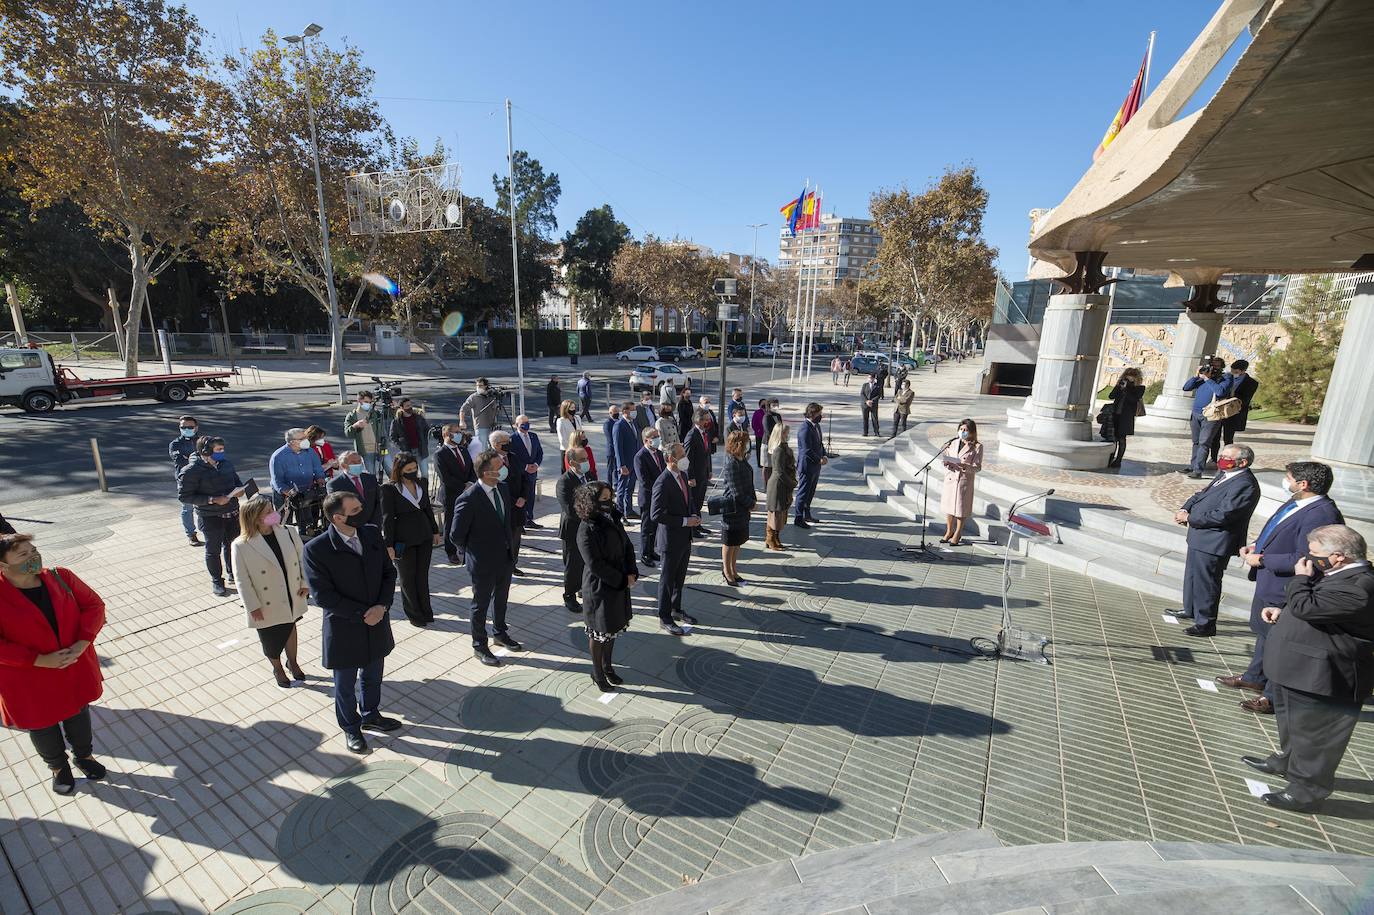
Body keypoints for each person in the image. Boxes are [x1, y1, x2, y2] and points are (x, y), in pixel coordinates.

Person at [1241, 525, 1374, 812]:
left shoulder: (1359, 586)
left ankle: (1307, 791)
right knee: (1293, 724)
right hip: (1299, 670)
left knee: (1317, 737)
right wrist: (1282, 610)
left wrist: (1300, 579)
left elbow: (1309, 607)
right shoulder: (1338, 574)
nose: (1309, 559)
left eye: (1314, 554)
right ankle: (1287, 761)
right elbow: (1315, 608)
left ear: (1338, 556)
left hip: (1325, 676)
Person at [1224, 461, 1343, 713]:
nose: (1285, 481)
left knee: (1279, 644)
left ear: (1303, 484)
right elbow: (1276, 529)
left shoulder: (1321, 514)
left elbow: (1308, 557)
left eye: (1288, 478)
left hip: (1286, 586)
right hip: (1269, 580)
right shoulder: (1298, 500)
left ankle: (1272, 697)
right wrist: (1257, 545)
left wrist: (1264, 559)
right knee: (1263, 633)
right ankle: (1255, 677)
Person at [0, 533, 107, 796]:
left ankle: (84, 757)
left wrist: (83, 642)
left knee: (78, 715)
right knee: (41, 723)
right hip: (27, 676)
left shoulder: (60, 577)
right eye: (23, 555)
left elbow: (94, 606)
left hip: (73, 665)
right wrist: (37, 660)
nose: (33, 557)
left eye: (33, 550)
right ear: (2, 565)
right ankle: (58, 767)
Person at [303, 492, 400, 754]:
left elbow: (388, 573)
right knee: (344, 685)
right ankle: (351, 727)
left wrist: (381, 606)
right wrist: (364, 614)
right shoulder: (316, 550)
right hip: (345, 627)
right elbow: (323, 596)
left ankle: (371, 714)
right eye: (356, 509)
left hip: (376, 620)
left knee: (373, 676)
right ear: (338, 517)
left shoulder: (370, 534)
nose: (364, 512)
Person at [1167, 444, 1262, 637]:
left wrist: (1190, 519)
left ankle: (1206, 623)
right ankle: (1191, 609)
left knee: (1207, 582)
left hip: (1215, 541)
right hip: (1200, 537)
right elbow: (1200, 495)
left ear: (1242, 462)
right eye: (1221, 455)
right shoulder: (1224, 475)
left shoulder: (1245, 484)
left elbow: (1224, 515)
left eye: (1227, 457)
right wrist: (1185, 509)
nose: (1221, 459)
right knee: (1193, 576)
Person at [450, 450, 524, 665]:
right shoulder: (469, 498)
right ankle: (479, 645)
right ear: (486, 472)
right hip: (482, 562)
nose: (504, 469)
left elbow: (505, 521)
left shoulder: (502, 487)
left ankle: (500, 633)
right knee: (480, 604)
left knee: (501, 599)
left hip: (505, 557)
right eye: (500, 466)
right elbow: (456, 536)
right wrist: (476, 553)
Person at [231, 495, 309, 688]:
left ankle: (292, 662)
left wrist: (305, 583)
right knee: (270, 638)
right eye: (268, 512)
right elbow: (242, 579)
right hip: (265, 601)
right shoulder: (241, 545)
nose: (274, 514)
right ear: (256, 517)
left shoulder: (289, 532)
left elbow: (303, 560)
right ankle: (277, 667)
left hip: (291, 593)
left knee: (290, 627)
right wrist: (252, 606)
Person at [577, 481, 639, 691]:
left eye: (610, 498)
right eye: (604, 499)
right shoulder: (586, 529)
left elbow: (627, 544)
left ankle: (607, 666)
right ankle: (597, 672)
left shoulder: (611, 517)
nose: (609, 502)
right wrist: (622, 580)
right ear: (592, 502)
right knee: (599, 633)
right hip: (600, 588)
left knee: (612, 630)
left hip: (618, 582)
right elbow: (595, 565)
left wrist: (631, 571)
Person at [179, 435, 245, 597]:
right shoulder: (191, 471)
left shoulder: (226, 464)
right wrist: (212, 500)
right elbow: (184, 496)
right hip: (210, 517)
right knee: (213, 550)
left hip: (232, 513)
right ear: (205, 451)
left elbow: (236, 482)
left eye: (223, 449)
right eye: (218, 450)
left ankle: (233, 574)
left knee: (234, 546)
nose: (222, 453)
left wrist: (240, 490)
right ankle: (217, 580)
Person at [380, 452, 441, 628]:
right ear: (399, 471)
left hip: (423, 536)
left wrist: (435, 530)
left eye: (415, 468)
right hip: (402, 540)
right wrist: (389, 545)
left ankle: (426, 611)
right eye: (408, 469)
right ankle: (414, 613)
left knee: (422, 576)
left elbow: (428, 509)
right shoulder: (389, 489)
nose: (413, 472)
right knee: (407, 578)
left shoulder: (421, 483)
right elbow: (387, 519)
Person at [650, 442, 701, 635]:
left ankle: (676, 608)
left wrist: (695, 515)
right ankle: (664, 617)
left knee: (679, 577)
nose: (685, 458)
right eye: (681, 455)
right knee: (667, 580)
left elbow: (689, 501)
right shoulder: (662, 482)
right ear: (671, 459)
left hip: (684, 537)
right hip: (670, 540)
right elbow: (656, 515)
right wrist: (684, 521)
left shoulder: (683, 475)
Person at [1181, 357, 1235, 478]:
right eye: (1212, 365)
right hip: (1196, 414)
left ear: (1222, 367)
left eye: (1217, 365)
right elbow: (1186, 388)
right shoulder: (1202, 378)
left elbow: (1221, 392)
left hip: (1212, 415)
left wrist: (1208, 379)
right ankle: (1193, 466)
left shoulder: (1226, 378)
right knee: (1196, 442)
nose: (1214, 368)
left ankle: (1198, 470)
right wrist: (1196, 376)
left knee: (1204, 443)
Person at [270, 427, 327, 537]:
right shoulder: (278, 457)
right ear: (292, 442)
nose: (306, 440)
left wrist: (320, 479)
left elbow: (318, 469)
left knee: (305, 522)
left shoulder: (310, 452)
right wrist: (290, 493)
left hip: (305, 492)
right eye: (302, 438)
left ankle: (304, 538)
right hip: (284, 496)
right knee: (285, 524)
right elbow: (277, 481)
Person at [557, 446, 593, 613]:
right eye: (583, 460)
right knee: (573, 565)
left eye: (587, 458)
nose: (587, 462)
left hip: (589, 529)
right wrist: (591, 515)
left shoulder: (589, 476)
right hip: (573, 530)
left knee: (586, 562)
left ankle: (582, 588)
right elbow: (570, 510)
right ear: (572, 463)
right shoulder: (564, 482)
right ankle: (569, 595)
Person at [719, 430, 757, 586]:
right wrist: (751, 504)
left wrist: (752, 500)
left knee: (737, 541)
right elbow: (736, 492)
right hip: (733, 509)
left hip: (742, 509)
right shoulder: (731, 463)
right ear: (738, 444)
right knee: (729, 542)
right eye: (746, 442)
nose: (749, 445)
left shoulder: (741, 459)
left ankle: (734, 570)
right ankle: (727, 572)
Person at [489, 431, 529, 576]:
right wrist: (513, 501)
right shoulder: (488, 460)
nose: (509, 444)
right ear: (495, 444)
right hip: (503, 507)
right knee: (502, 540)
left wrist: (523, 497)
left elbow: (524, 478)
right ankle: (501, 565)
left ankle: (512, 564)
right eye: (506, 442)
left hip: (518, 507)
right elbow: (493, 485)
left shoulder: (513, 457)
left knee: (516, 538)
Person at [433, 426, 475, 563]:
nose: (459, 435)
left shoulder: (463, 449)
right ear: (447, 434)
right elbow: (445, 477)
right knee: (450, 523)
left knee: (468, 520)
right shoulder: (440, 454)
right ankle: (451, 551)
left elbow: (471, 468)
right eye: (456, 432)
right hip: (451, 494)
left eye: (459, 432)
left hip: (468, 492)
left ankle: (466, 546)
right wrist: (463, 486)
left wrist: (470, 482)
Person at [941, 419, 984, 547]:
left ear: (971, 432)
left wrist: (965, 466)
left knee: (961, 509)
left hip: (964, 480)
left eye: (965, 430)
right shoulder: (953, 443)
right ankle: (949, 531)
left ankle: (958, 533)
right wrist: (946, 463)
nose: (963, 432)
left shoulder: (977, 447)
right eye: (961, 429)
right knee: (949, 507)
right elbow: (946, 455)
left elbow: (978, 467)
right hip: (951, 478)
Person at [1211, 359, 1260, 463]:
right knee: (1215, 436)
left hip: (1234, 413)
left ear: (1242, 371)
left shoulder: (1251, 383)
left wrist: (1232, 398)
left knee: (1228, 438)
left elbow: (1245, 399)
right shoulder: (1225, 378)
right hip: (1220, 411)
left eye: (1236, 371)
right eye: (1232, 370)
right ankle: (1213, 459)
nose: (1233, 373)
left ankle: (1227, 458)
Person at [633, 427, 665, 567]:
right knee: (647, 528)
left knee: (655, 525)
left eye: (658, 435)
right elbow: (644, 480)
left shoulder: (659, 453)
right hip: (648, 497)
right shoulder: (640, 456)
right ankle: (645, 554)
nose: (658, 438)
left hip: (658, 497)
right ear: (647, 440)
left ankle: (652, 551)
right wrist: (659, 490)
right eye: (655, 436)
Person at [327, 450, 382, 529]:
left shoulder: (370, 478)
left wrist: (375, 523)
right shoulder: (334, 484)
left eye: (359, 461)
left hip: (374, 525)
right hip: (352, 527)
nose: (358, 464)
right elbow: (338, 509)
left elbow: (379, 502)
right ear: (343, 465)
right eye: (353, 462)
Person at [1103, 368, 1146, 467]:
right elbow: (1111, 396)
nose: (1128, 377)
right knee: (1112, 438)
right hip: (1115, 414)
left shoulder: (1140, 388)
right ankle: (1110, 458)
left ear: (1136, 378)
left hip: (1126, 417)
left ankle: (1118, 460)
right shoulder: (1121, 385)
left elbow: (1133, 399)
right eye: (1127, 375)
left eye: (1131, 376)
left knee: (1122, 438)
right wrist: (1118, 387)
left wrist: (1127, 389)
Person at [508, 414, 545, 530]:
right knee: (520, 497)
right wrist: (525, 467)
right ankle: (520, 523)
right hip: (520, 474)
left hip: (532, 473)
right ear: (516, 425)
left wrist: (536, 465)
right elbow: (512, 457)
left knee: (530, 496)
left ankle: (529, 519)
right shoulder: (512, 439)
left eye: (527, 422)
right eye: (523, 423)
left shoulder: (533, 436)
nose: (526, 425)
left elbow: (539, 452)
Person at [793, 402, 827, 528]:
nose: (821, 416)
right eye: (819, 414)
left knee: (811, 492)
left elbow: (819, 443)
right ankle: (798, 517)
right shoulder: (804, 428)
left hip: (816, 466)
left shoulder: (816, 426)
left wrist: (824, 455)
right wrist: (818, 459)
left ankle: (807, 514)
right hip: (807, 466)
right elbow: (806, 450)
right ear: (812, 414)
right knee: (803, 492)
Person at [170, 415, 202, 546]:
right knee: (187, 508)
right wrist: (198, 461)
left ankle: (206, 529)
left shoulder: (202, 441)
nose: (187, 429)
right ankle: (191, 534)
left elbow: (211, 458)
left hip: (202, 479)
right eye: (183, 427)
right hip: (185, 481)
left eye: (190, 427)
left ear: (196, 427)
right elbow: (181, 461)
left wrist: (191, 459)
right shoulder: (175, 444)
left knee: (204, 506)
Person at [766, 420, 796, 551]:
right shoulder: (778, 450)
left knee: (781, 514)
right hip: (778, 486)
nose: (788, 434)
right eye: (786, 432)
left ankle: (775, 538)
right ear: (780, 434)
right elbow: (779, 472)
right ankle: (771, 539)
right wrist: (792, 483)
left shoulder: (784, 447)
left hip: (784, 485)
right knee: (775, 515)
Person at [683, 408, 713, 538]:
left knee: (700, 501)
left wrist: (709, 470)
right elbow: (688, 458)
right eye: (706, 419)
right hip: (695, 476)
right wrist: (691, 477)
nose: (708, 421)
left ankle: (698, 524)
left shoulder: (704, 433)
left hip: (703, 473)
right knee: (694, 502)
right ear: (699, 420)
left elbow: (707, 454)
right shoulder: (691, 435)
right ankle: (692, 529)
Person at [343, 390, 386, 476]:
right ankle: (375, 489)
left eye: (370, 402)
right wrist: (355, 426)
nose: (368, 404)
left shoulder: (375, 413)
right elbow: (348, 433)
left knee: (390, 468)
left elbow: (389, 418)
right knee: (371, 474)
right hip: (366, 451)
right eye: (366, 402)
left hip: (381, 448)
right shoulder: (352, 415)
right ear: (359, 401)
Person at [387, 398, 432, 480]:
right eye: (407, 406)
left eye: (410, 405)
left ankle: (424, 491)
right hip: (407, 452)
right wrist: (401, 446)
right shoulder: (397, 422)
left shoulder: (418, 418)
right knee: (411, 475)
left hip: (421, 450)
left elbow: (427, 430)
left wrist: (425, 442)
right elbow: (393, 437)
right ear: (401, 408)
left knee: (425, 474)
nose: (410, 407)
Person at [610, 402, 641, 519]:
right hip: (625, 464)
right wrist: (621, 465)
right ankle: (620, 513)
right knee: (622, 489)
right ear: (624, 412)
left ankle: (629, 510)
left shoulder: (633, 423)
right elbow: (617, 447)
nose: (634, 412)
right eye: (632, 410)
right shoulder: (619, 425)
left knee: (630, 488)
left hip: (634, 462)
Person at [460, 378, 502, 462]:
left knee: (494, 448)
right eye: (477, 386)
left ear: (486, 386)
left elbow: (497, 409)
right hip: (481, 427)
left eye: (480, 386)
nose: (478, 387)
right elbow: (463, 409)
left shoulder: (491, 396)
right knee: (482, 449)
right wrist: (462, 421)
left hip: (492, 426)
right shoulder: (473, 397)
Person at [762, 398, 782, 487]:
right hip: (768, 443)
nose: (775, 407)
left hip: (777, 443)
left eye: (777, 405)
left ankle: (773, 484)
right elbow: (768, 431)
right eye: (773, 405)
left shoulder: (778, 416)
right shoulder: (766, 417)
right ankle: (767, 485)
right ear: (769, 406)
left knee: (774, 465)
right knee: (767, 466)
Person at [556, 400, 583, 467]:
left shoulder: (577, 418)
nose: (573, 410)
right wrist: (572, 449)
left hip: (578, 449)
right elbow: (562, 439)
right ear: (565, 409)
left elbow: (580, 433)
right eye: (571, 408)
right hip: (567, 450)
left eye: (574, 407)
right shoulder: (561, 421)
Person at [751, 398, 768, 468]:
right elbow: (754, 423)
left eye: (766, 404)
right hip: (760, 435)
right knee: (759, 449)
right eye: (763, 404)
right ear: (760, 405)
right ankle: (760, 463)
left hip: (768, 435)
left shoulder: (769, 412)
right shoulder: (757, 413)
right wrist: (757, 430)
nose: (764, 405)